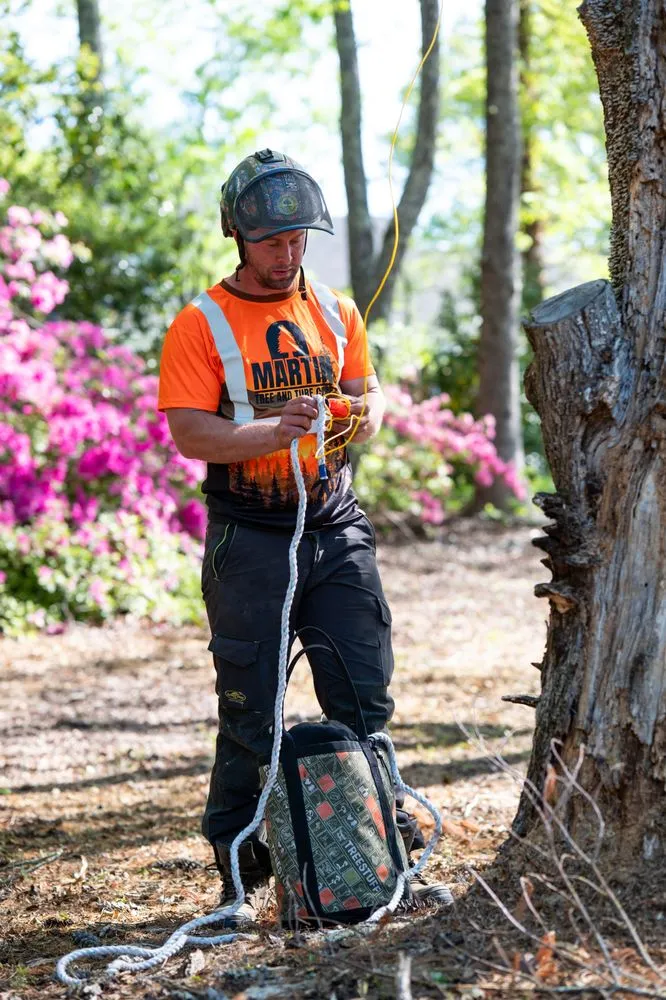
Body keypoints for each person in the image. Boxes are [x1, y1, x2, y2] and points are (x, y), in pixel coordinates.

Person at [158, 149, 451, 925]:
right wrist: (268, 433)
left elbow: (368, 395)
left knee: (364, 700)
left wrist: (358, 413)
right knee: (250, 713)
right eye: (272, 241)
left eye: (299, 240)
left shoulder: (336, 311)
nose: (288, 254)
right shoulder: (201, 324)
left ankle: (380, 851)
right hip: (249, 540)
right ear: (236, 234)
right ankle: (238, 874)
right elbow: (191, 433)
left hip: (335, 528)